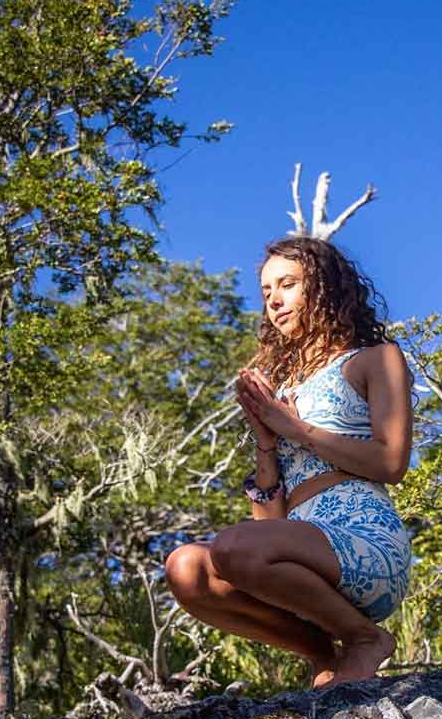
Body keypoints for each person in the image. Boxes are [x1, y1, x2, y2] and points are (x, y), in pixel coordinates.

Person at [165, 235, 414, 689]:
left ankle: (364, 639)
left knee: (233, 546)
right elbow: (267, 525)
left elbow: (392, 462)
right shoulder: (280, 389)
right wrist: (265, 443)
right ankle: (320, 650)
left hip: (366, 546)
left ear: (323, 288)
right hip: (300, 557)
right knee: (186, 568)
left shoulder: (376, 359)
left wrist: (298, 431)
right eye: (266, 292)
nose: (275, 301)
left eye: (288, 285)